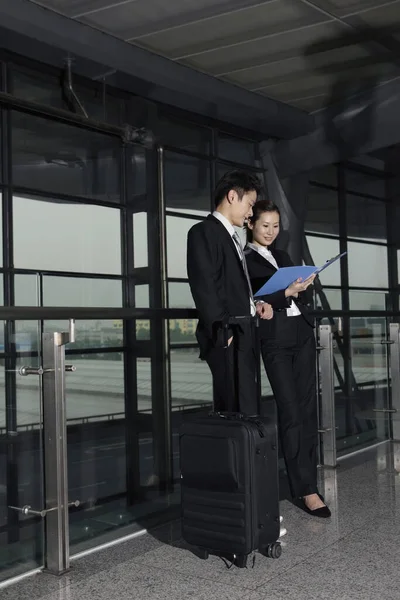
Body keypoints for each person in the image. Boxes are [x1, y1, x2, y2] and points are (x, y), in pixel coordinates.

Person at [245, 200, 331, 518]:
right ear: (251, 224)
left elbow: (293, 293)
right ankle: (306, 490)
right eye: (265, 225)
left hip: (301, 334)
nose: (271, 231)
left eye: (276, 225)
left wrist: (304, 287)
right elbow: (252, 298)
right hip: (276, 341)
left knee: (308, 411)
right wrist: (286, 293)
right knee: (291, 412)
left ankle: (310, 481)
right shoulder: (244, 259)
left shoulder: (282, 256)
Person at [187, 170, 273, 416]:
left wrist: (251, 305)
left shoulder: (229, 236)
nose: (250, 212)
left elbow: (231, 285)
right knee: (234, 411)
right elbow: (204, 285)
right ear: (232, 196)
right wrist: (221, 329)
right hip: (227, 335)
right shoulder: (203, 232)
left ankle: (246, 454)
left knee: (246, 407)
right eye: (250, 204)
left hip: (242, 330)